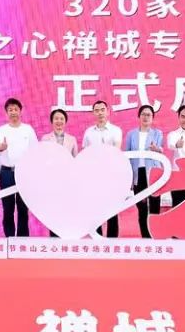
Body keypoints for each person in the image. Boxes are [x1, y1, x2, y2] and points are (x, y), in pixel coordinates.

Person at [0, 98, 37, 237]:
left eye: (15, 109)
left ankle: (23, 239)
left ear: (20, 111)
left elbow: (35, 152)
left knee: (23, 208)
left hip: (24, 173)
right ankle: (9, 238)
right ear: (6, 113)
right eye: (10, 110)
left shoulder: (28, 129)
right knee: (8, 208)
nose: (13, 112)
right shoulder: (1, 130)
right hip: (7, 173)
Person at [82, 100, 124, 237]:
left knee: (112, 209)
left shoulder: (116, 130)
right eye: (97, 110)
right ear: (93, 113)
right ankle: (97, 237)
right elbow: (85, 155)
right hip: (94, 176)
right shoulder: (89, 133)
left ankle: (112, 240)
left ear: (108, 112)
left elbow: (116, 151)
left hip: (111, 175)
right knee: (95, 208)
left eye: (102, 110)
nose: (100, 113)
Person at [124, 105, 163, 238]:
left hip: (153, 173)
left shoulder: (157, 133)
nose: (146, 117)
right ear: (139, 117)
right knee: (141, 208)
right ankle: (145, 237)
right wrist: (128, 177)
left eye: (149, 115)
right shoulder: (131, 134)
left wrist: (156, 149)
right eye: (143, 114)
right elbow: (127, 155)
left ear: (152, 118)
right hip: (137, 174)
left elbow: (161, 150)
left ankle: (155, 236)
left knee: (154, 206)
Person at [41, 108, 78, 237]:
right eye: (56, 118)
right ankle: (54, 239)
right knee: (53, 210)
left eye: (61, 119)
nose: (59, 121)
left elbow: (75, 160)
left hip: (67, 181)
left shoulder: (72, 139)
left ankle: (66, 237)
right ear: (52, 121)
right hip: (52, 180)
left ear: (65, 122)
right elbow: (42, 160)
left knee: (67, 209)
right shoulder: (45, 139)